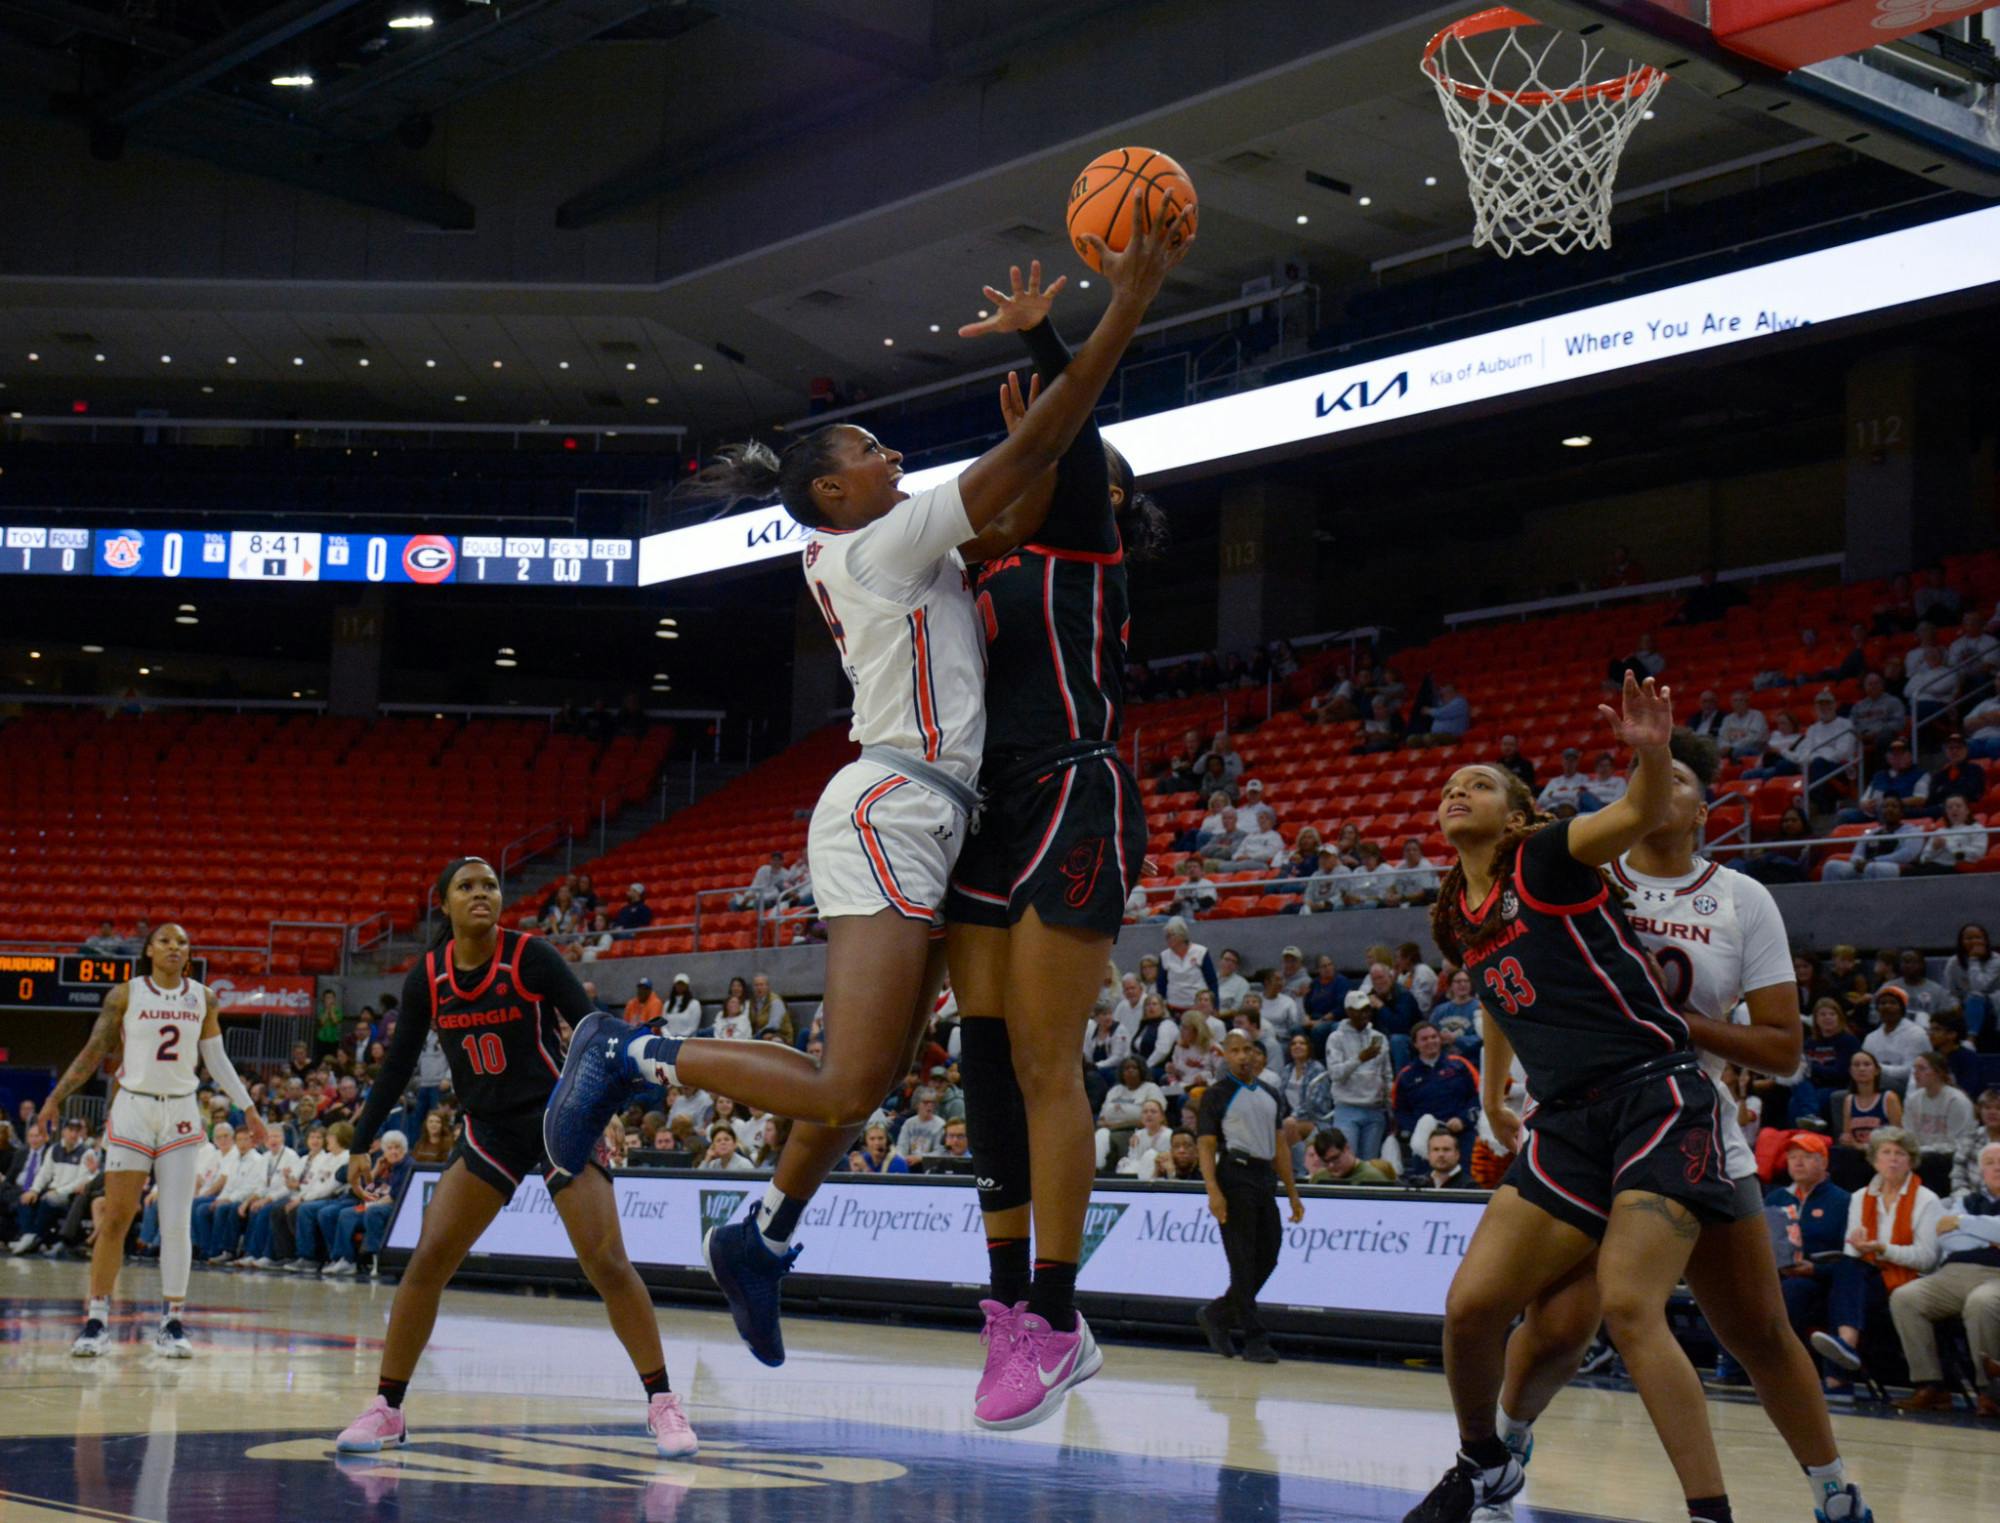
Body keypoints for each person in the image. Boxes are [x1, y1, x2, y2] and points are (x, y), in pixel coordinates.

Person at [552, 213, 1190, 1414]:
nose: (895, 451)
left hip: (1033, 794)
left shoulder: (1039, 544)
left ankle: (778, 1226)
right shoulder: (905, 542)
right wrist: (1097, 321)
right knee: (868, 1074)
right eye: (868, 445)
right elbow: (1047, 439)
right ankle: (638, 1056)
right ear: (836, 489)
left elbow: (1062, 445)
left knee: (922, 1064)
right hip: (919, 800)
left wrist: (1060, 357)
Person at [1489, 730, 1871, 1523]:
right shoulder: (1582, 868)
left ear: (1703, 806)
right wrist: (1497, 1086)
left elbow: (1785, 1050)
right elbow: (1503, 969)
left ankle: (1834, 1488)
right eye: (1637, 771)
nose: (1653, 783)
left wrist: (1679, 1022)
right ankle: (1502, 1442)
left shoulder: (1741, 897)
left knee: (1759, 1330)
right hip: (1582, 1122)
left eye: (1676, 777)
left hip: (1689, 1122)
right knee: (1558, 1325)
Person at [1404, 676, 1742, 1523]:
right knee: (1471, 1308)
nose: (1457, 791)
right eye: (1449, 785)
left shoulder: (1546, 855)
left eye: (1477, 782)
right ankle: (1483, 1462)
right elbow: (1497, 997)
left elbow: (1634, 812)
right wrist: (1489, 1093)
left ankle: (1710, 1512)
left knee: (1628, 1307)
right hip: (1564, 1117)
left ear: (1514, 811)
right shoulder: (1456, 913)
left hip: (1654, 1094)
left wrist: (1652, 750)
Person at [331, 857, 697, 1459]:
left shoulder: (530, 956)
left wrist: (614, 1108)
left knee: (605, 1260)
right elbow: (397, 1065)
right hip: (488, 1129)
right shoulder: (428, 976)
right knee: (427, 1261)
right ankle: (388, 1409)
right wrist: (360, 1140)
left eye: (490, 885)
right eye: (467, 887)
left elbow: (595, 1036)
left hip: (559, 1117)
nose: (482, 894)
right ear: (444, 904)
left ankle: (663, 1405)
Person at [33, 923, 267, 1358]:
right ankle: (96, 1319)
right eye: (165, 940)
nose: (174, 946)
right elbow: (92, 1051)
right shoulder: (125, 995)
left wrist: (249, 1110)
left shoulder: (203, 997)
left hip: (180, 1109)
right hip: (133, 1108)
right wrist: (54, 1100)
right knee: (118, 1216)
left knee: (176, 1219)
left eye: (182, 941)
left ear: (189, 954)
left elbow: (216, 1060)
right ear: (149, 951)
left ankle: (172, 1321)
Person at [1194, 1032, 1303, 1365]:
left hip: (1263, 1178)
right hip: (1234, 1175)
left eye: (1248, 1050)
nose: (1243, 1056)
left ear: (1257, 1055)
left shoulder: (1271, 1094)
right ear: (1226, 1055)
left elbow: (1280, 1146)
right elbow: (1207, 1145)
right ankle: (1255, 1338)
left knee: (1268, 1255)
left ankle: (1218, 1313)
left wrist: (1293, 1192)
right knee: (1241, 1260)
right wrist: (1213, 1189)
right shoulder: (1217, 1094)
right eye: (1236, 1051)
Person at [1810, 1128, 1942, 1385]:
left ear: (1910, 1160)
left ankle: (1839, 1367)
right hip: (1869, 1273)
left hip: (1911, 1278)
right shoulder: (1861, 1197)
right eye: (1886, 1152)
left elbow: (1927, 1259)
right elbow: (1852, 1251)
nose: (1893, 1159)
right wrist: (1860, 1247)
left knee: (1844, 1287)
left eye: (1900, 1154)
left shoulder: (1927, 1200)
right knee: (1846, 1267)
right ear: (1874, 1159)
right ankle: (1845, 1345)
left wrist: (1882, 1248)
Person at [1890, 1140, 2000, 1417]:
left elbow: (1958, 1229)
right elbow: (1948, 1240)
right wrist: (1989, 1236)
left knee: (1982, 1302)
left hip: (1996, 1276)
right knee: (1905, 1297)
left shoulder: (1962, 1212)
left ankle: (1990, 1391)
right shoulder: (1964, 1201)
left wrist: (1964, 1224)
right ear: (1980, 1171)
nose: (1996, 1167)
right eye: (1989, 1163)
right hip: (1952, 1273)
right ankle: (1930, 1386)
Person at [1323, 990, 1392, 1163]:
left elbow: (1387, 1075)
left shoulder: (1379, 1038)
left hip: (1375, 1109)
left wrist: (1390, 1108)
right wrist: (1360, 1059)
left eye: (1368, 1009)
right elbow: (1335, 1074)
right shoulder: (1335, 1038)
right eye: (1360, 1010)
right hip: (1347, 1108)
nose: (1365, 1014)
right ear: (1348, 1011)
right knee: (1347, 1162)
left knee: (1370, 1165)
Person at [1903, 1052, 1975, 1194]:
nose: (1916, 1073)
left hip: (1948, 1158)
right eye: (1914, 1069)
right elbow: (1908, 1133)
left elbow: (1959, 1143)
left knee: (1929, 1161)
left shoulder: (1957, 1101)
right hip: (1919, 1154)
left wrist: (1924, 1150)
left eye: (1922, 1069)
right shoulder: (1914, 1099)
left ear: (1938, 1072)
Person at [1946, 923, 1998, 1041]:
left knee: (1975, 996)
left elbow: (1978, 987)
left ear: (1985, 941)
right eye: (1969, 938)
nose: (1974, 942)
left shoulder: (1996, 960)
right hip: (1965, 1004)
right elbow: (1951, 991)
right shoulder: (1953, 962)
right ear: (1961, 942)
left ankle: (1971, 1039)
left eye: (1978, 938)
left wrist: (1974, 959)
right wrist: (1954, 1005)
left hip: (1993, 1004)